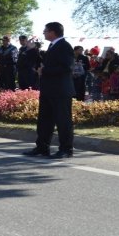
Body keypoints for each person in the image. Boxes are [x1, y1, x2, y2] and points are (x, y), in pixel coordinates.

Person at [23, 22, 75, 159]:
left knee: (63, 121)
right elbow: (42, 62)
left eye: (45, 31)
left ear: (53, 32)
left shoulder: (64, 46)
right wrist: (32, 50)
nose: (44, 33)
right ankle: (42, 147)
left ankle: (66, 149)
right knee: (44, 120)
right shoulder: (52, 46)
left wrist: (45, 71)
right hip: (48, 89)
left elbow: (66, 67)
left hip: (60, 90)